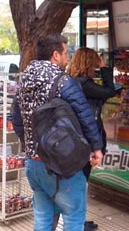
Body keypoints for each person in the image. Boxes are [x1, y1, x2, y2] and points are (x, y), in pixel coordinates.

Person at [12, 35, 103, 231]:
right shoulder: (63, 82)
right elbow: (85, 117)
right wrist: (96, 147)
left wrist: (30, 146)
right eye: (65, 53)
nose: (67, 57)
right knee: (73, 216)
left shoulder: (24, 81)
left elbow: (17, 121)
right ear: (55, 55)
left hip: (33, 164)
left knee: (43, 216)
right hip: (62, 164)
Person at [65, 47, 117, 231]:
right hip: (86, 140)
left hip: (76, 139)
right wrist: (105, 68)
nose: (96, 67)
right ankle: (77, 223)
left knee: (79, 181)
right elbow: (110, 91)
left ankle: (78, 220)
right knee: (81, 182)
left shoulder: (70, 81)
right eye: (95, 63)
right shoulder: (85, 85)